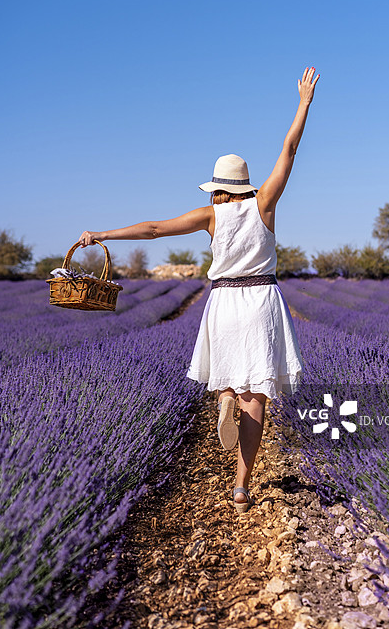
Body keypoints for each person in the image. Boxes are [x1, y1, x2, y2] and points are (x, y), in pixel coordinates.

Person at [78, 65, 320, 514]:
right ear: (244, 186)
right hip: (261, 299)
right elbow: (289, 149)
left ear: (217, 190)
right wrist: (303, 102)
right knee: (257, 396)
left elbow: (153, 229)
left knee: (227, 377)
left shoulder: (210, 217)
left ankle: (224, 399)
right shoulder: (264, 203)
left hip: (224, 301)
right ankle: (242, 485)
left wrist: (104, 234)